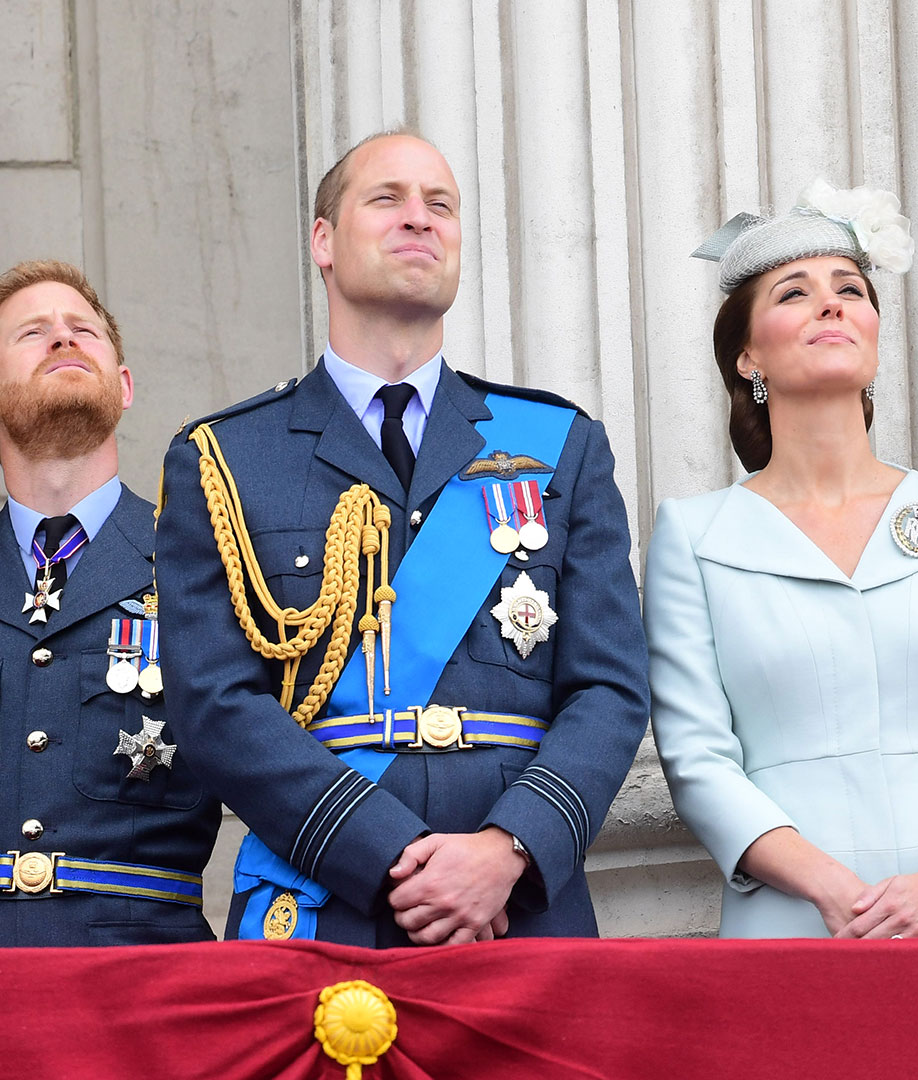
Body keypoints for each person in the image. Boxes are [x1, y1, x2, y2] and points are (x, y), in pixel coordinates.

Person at [156, 132, 649, 946]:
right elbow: (213, 704)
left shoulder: (561, 443)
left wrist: (506, 849)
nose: (419, 219)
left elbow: (609, 689)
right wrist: (393, 852)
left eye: (441, 205)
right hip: (327, 898)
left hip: (517, 908)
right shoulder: (225, 457)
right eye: (387, 199)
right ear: (323, 239)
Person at [647, 181, 918, 938]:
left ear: (873, 331)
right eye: (794, 292)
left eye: (851, 288)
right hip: (794, 921)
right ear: (746, 356)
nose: (831, 304)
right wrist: (838, 893)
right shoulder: (695, 535)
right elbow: (699, 758)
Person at [0, 260, 221, 946]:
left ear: (123, 385)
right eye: (34, 332)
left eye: (83, 329)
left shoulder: (204, 569)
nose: (64, 339)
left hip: (144, 982)